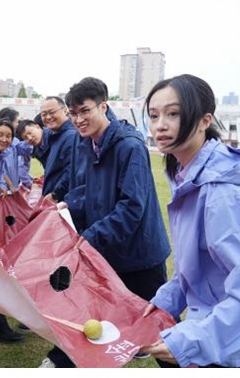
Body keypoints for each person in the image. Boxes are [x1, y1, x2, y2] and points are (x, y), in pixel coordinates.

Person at [139, 75, 240, 367]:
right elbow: (196, 261)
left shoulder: (223, 191)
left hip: (225, 336)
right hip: (207, 323)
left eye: (173, 114)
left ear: (204, 120)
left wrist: (194, 342)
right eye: (154, 115)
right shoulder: (186, 172)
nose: (160, 125)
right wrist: (168, 298)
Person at [54, 76, 171, 368]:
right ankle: (58, 360)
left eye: (85, 110)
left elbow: (132, 207)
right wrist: (69, 206)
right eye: (73, 113)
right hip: (109, 252)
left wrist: (89, 237)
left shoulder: (129, 146)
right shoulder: (88, 143)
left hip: (140, 255)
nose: (79, 119)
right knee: (94, 317)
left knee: (163, 333)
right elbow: (91, 192)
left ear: (103, 106)